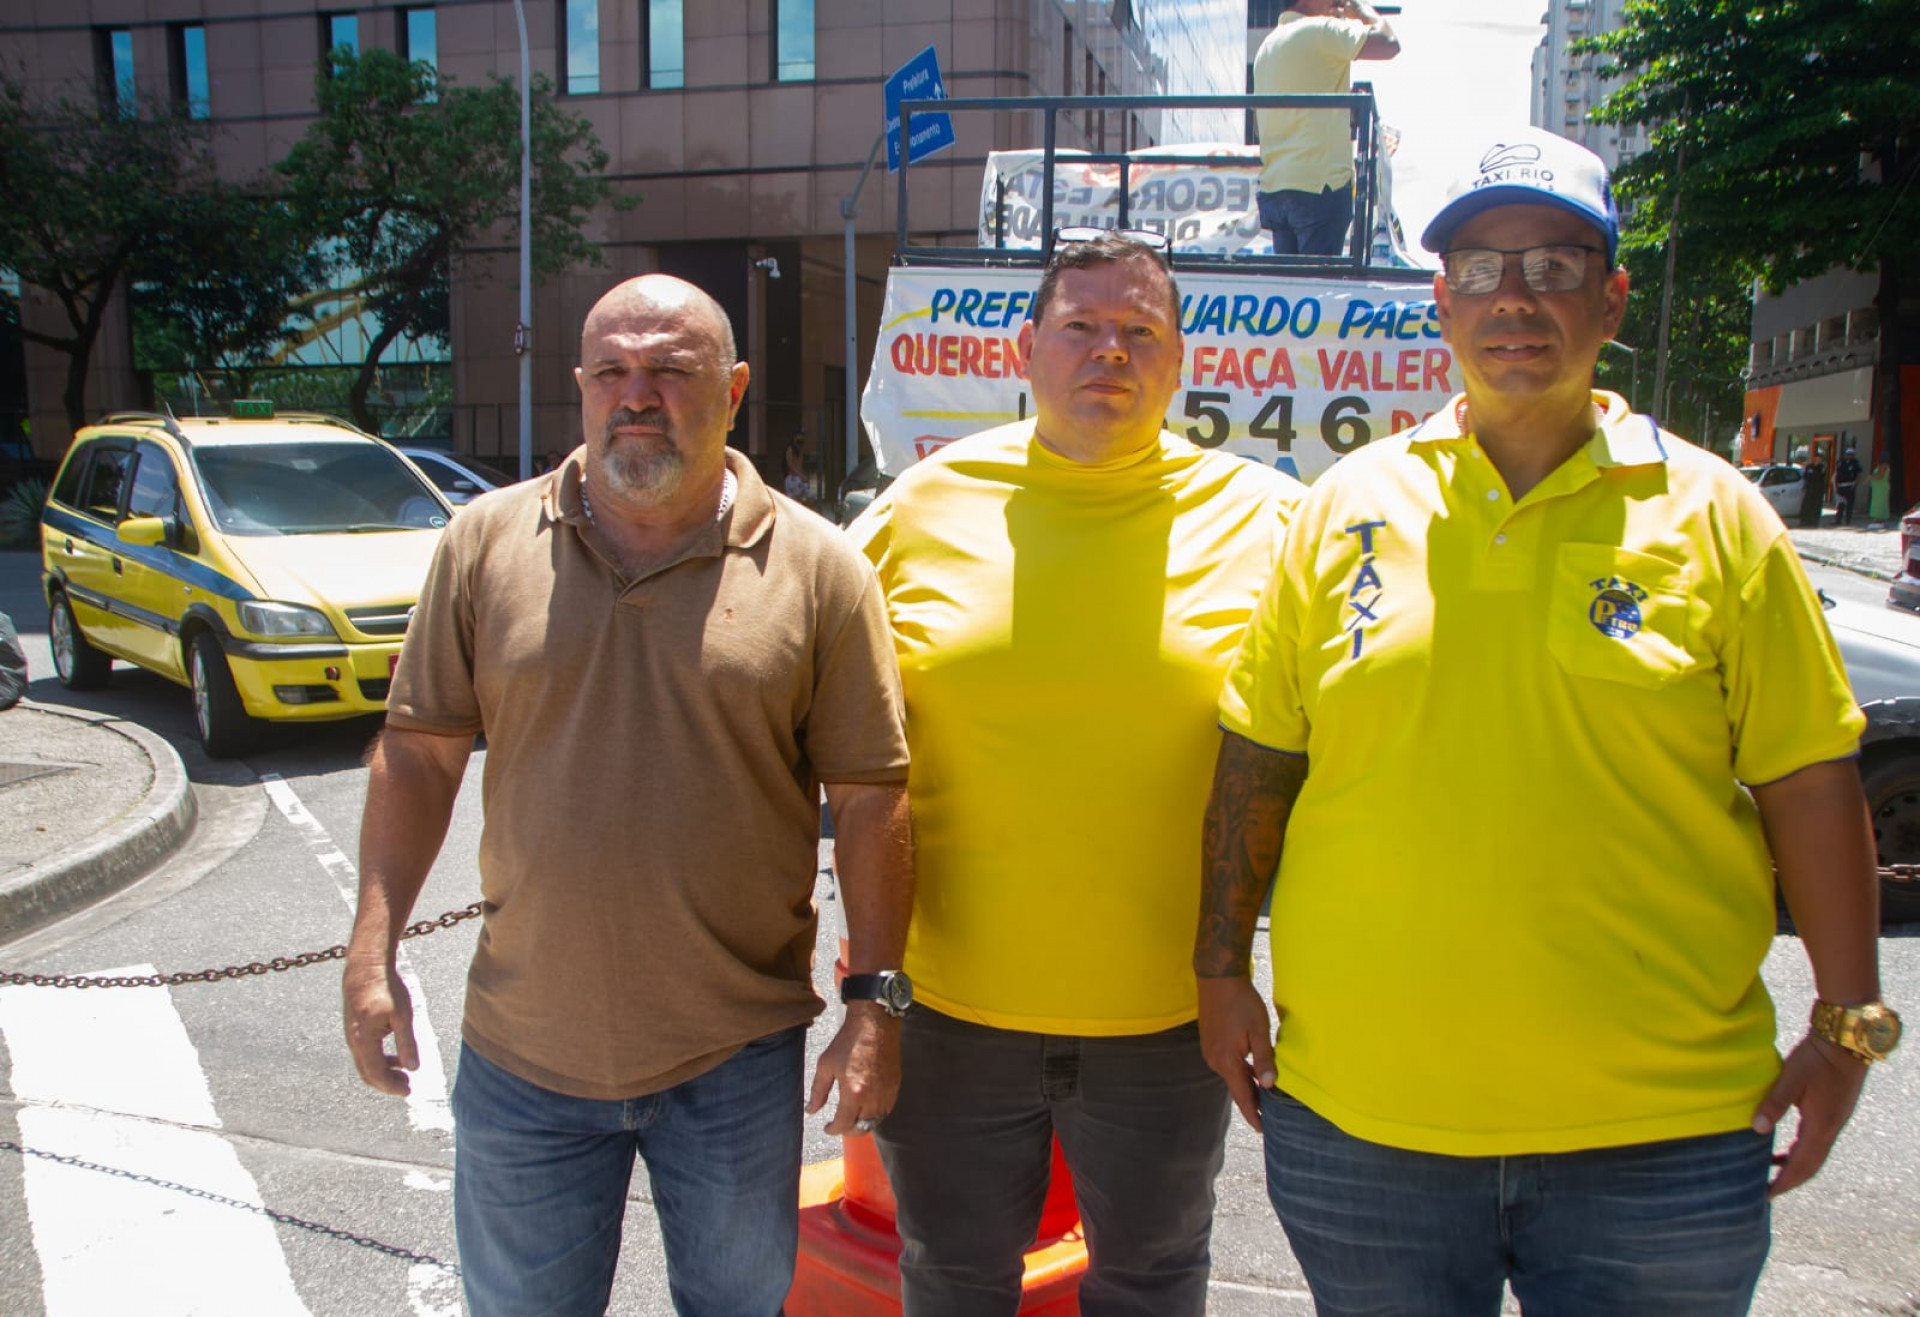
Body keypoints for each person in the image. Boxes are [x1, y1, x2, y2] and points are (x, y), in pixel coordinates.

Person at [1196, 127, 1900, 1317]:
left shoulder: (1719, 519)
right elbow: (1260, 756)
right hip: (1369, 1134)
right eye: (1480, 268)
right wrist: (1219, 971)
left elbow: (1813, 784)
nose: (1515, 299)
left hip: (1664, 1140)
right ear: (1440, 303)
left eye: (1555, 265)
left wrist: (1847, 1029)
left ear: (1612, 295)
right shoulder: (1340, 513)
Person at [343, 274, 914, 1317]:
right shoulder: (482, 543)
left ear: (734, 389)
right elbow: (420, 754)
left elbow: (873, 796)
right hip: (525, 1055)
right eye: (612, 370)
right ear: (581, 387)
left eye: (671, 370)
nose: (636, 394)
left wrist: (876, 1008)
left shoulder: (824, 571)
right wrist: (369, 950)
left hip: (735, 1062)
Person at [850, 231, 1301, 1315]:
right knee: (953, 1282)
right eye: (1082, 327)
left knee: (1149, 1284)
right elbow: (775, 663)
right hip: (951, 1015)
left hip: (1170, 1019)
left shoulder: (1272, 522)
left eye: (1141, 330)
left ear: (1181, 358)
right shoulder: (920, 507)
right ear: (1027, 346)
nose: (1112, 351)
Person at [1252, 0, 1400, 257]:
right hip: (1319, 185)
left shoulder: (1268, 46)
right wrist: (1362, 9)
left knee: (1292, 290)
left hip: (1276, 187)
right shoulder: (1321, 29)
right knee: (1316, 290)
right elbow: (1389, 43)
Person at [1834, 445, 1863, 525]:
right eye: (1848, 454)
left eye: (1851, 454)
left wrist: (1856, 483)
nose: (1849, 455)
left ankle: (1848, 520)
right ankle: (1838, 520)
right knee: (1840, 504)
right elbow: (1836, 474)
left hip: (1850, 485)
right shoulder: (1841, 462)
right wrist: (1836, 485)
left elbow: (1859, 474)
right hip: (1841, 485)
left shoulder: (1856, 463)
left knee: (1849, 504)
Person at [1800, 450, 1827, 527]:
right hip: (1809, 488)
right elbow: (1805, 475)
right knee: (1807, 504)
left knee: (1816, 505)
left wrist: (1812, 477)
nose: (1817, 459)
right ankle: (1805, 520)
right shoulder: (1809, 466)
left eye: (1819, 458)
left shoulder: (1822, 467)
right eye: (1816, 458)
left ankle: (1814, 521)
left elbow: (1820, 477)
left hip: (1818, 489)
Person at [1869, 459, 1893, 524]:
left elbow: (1880, 476)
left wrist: (1871, 477)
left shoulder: (1883, 466)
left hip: (1880, 487)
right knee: (1880, 501)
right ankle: (1878, 519)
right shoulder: (1887, 467)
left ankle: (1879, 519)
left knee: (1879, 502)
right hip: (1880, 486)